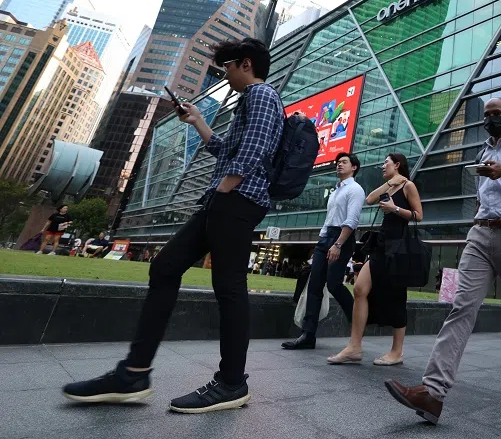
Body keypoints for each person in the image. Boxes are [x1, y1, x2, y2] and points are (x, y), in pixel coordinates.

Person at [63, 37, 285, 413]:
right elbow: (225, 148)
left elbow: (256, 147)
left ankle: (232, 382)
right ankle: (134, 373)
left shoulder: (261, 94)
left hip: (237, 200)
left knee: (229, 287)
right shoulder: (251, 99)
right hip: (223, 200)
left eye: (227, 67)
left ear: (246, 64)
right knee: (166, 267)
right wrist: (197, 121)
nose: (225, 74)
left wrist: (226, 187)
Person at [384, 97, 501, 424]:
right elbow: (482, 197)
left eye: (497, 114)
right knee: (461, 308)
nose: (490, 119)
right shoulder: (481, 154)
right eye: (487, 115)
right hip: (480, 234)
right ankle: (432, 392)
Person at [328, 153, 422, 366]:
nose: (382, 166)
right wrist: (390, 183)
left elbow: (419, 215)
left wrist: (395, 209)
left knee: (397, 296)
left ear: (397, 164)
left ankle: (397, 352)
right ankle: (354, 347)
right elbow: (370, 199)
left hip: (398, 247)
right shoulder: (390, 187)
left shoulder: (408, 186)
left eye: (386, 162)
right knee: (360, 289)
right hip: (381, 245)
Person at [282, 152, 364, 350]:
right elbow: (329, 219)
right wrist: (322, 241)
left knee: (334, 284)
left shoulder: (355, 189)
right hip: (326, 238)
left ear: (354, 167)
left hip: (342, 237)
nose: (339, 165)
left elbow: (352, 220)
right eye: (338, 162)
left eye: (344, 162)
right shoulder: (335, 191)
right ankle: (307, 335)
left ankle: (359, 321)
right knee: (314, 286)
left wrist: (338, 244)